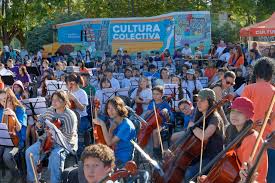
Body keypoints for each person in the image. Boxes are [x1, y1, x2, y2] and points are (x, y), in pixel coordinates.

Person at [198, 97, 268, 183]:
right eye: (233, 111)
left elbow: (245, 177)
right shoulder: (232, 132)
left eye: (240, 112)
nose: (234, 115)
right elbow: (230, 169)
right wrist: (210, 178)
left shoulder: (251, 140)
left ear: (248, 116)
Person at [25, 90, 78, 183]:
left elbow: (69, 137)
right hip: (46, 140)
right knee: (29, 152)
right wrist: (39, 123)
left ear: (65, 102)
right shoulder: (50, 110)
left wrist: (54, 138)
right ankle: (34, 179)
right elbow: (41, 117)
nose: (54, 102)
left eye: (57, 100)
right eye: (53, 100)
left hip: (64, 143)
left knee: (55, 156)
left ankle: (55, 181)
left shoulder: (70, 115)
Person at [241, 57, 275, 183]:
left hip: (253, 142)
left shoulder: (249, 89)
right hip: (272, 142)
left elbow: (242, 115)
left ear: (255, 73)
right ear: (271, 74)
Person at [184, 89, 224, 182]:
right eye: (197, 100)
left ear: (210, 102)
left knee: (189, 173)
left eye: (202, 101)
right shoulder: (200, 114)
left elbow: (204, 136)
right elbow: (188, 130)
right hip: (200, 153)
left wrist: (193, 127)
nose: (198, 103)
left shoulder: (215, 118)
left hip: (212, 156)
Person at [94, 96, 136, 167]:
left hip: (123, 159)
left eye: (113, 108)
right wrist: (110, 130)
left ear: (120, 109)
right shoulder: (115, 121)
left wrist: (103, 125)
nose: (110, 111)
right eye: (108, 108)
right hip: (115, 153)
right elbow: (109, 141)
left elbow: (109, 142)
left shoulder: (126, 126)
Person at [0, 88, 27, 182]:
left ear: (11, 98)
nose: (4, 102)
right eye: (2, 100)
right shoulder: (1, 110)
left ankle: (16, 174)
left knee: (7, 156)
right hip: (3, 140)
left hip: (16, 140)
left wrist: (14, 115)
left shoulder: (20, 110)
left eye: (6, 99)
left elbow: (21, 130)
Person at [143, 86, 172, 160]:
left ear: (162, 94)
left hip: (163, 124)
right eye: (154, 94)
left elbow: (170, 117)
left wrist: (166, 112)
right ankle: (147, 151)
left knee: (155, 131)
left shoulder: (165, 104)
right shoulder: (151, 103)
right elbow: (148, 116)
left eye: (157, 94)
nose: (155, 96)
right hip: (152, 123)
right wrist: (148, 113)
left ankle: (157, 153)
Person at [65, 73, 90, 157]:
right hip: (70, 118)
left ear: (73, 83)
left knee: (78, 135)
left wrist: (74, 99)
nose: (67, 85)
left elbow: (82, 108)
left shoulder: (82, 92)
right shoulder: (68, 92)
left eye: (68, 83)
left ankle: (80, 155)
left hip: (81, 118)